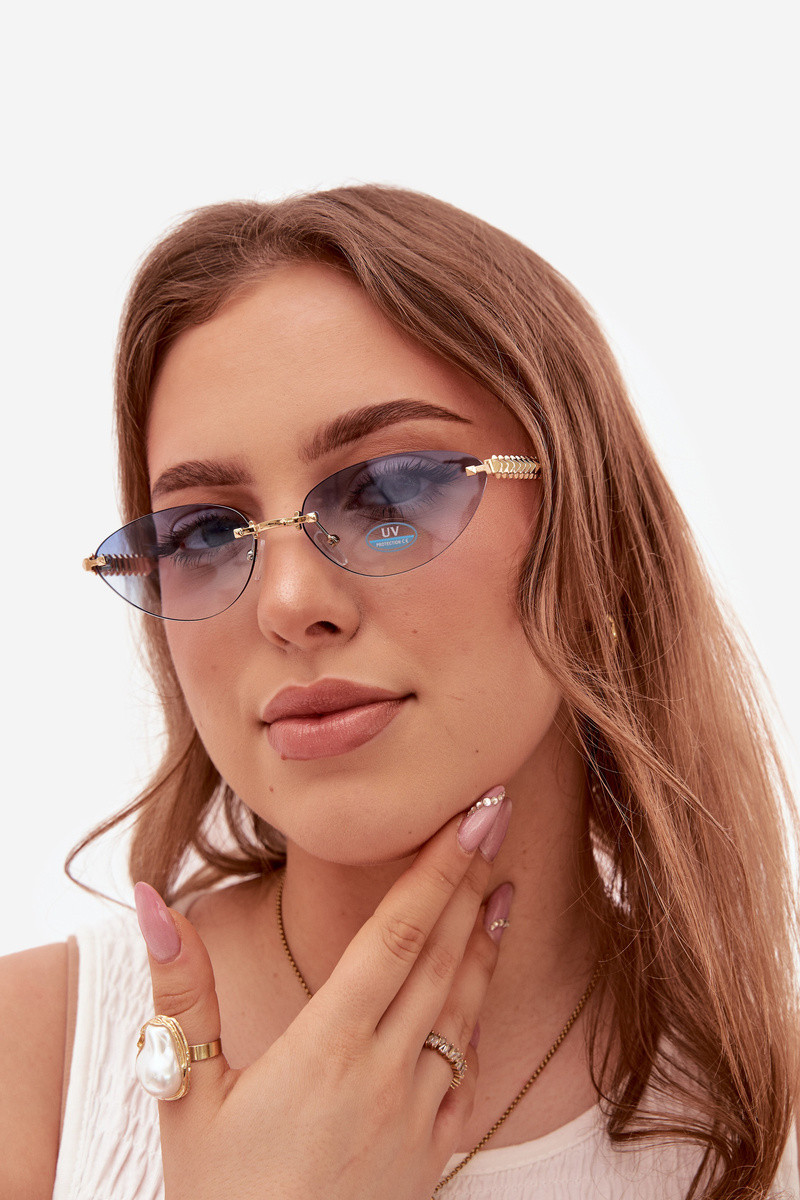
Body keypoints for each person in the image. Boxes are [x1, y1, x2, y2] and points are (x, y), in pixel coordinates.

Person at [1, 185, 798, 1200]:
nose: (289, 604)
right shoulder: (27, 1070)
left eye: (389, 492)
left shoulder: (769, 1123)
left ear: (588, 540)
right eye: (206, 532)